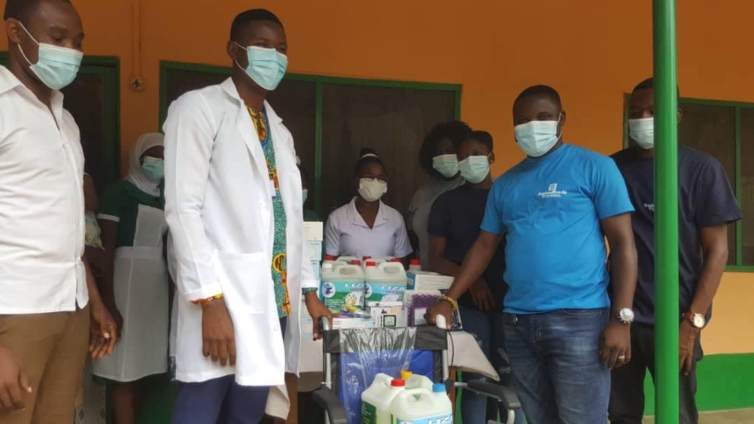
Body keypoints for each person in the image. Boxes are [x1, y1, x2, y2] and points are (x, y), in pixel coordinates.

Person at [426, 85, 638, 423]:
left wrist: (621, 318)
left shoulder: (595, 167)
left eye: (543, 117)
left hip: (580, 320)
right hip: (519, 323)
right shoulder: (506, 185)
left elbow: (624, 244)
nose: (532, 127)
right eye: (522, 121)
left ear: (561, 119)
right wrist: (450, 299)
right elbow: (484, 246)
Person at [163, 9, 332, 424]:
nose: (273, 56)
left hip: (272, 300)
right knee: (200, 410)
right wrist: (210, 301)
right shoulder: (199, 109)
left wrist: (309, 294)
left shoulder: (279, 131)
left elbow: (288, 221)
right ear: (234, 50)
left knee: (246, 415)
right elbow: (183, 209)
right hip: (220, 295)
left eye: (281, 48)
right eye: (262, 45)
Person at [0, 0, 117, 422]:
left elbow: (69, 226)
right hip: (16, 309)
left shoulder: (66, 121)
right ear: (16, 33)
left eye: (77, 41)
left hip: (71, 306)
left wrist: (95, 302)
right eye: (57, 38)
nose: (71, 51)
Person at [608, 79, 742, 424]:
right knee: (620, 413)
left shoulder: (701, 170)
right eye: (636, 112)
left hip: (677, 319)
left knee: (679, 415)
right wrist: (614, 318)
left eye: (654, 111)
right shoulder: (612, 169)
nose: (643, 119)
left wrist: (691, 324)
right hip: (621, 317)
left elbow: (718, 252)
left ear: (676, 115)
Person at [427, 131, 523, 424]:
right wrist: (472, 281)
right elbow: (436, 258)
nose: (469, 161)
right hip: (465, 303)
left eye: (476, 154)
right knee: (475, 381)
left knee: (511, 378)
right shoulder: (446, 202)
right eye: (463, 157)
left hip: (511, 301)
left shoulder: (509, 195)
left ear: (491, 157)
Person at [91, 133, 169, 424]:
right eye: (153, 155)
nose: (159, 161)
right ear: (137, 157)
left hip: (155, 287)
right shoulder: (119, 193)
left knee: (147, 367)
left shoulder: (165, 198)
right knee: (124, 372)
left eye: (164, 156)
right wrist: (109, 302)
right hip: (125, 282)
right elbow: (107, 249)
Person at [324, 148, 413, 263]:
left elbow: (401, 263)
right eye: (369, 177)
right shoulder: (337, 218)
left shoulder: (395, 218)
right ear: (356, 181)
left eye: (381, 178)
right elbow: (330, 263)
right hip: (349, 275)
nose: (375, 182)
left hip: (386, 275)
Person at [407, 121, 470, 268]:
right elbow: (412, 240)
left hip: (462, 276)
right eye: (438, 153)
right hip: (424, 275)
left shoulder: (476, 187)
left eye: (450, 151)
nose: (444, 157)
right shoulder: (422, 194)